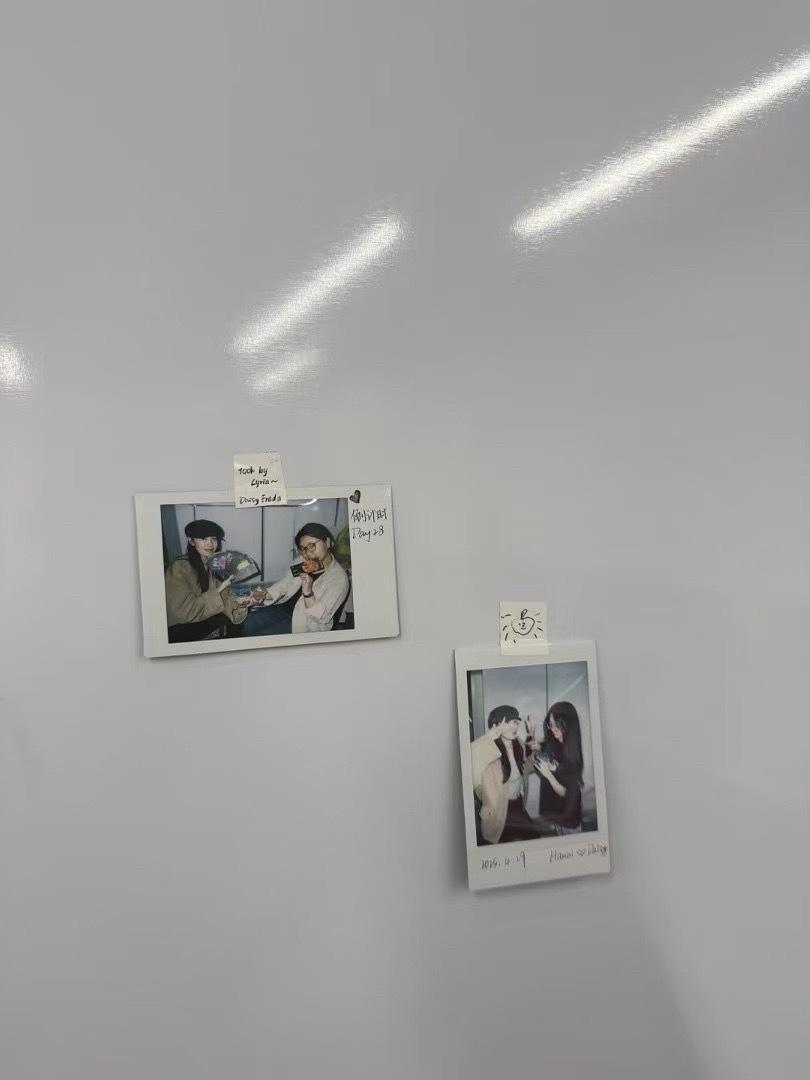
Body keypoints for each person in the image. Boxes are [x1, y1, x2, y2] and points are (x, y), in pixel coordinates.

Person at [248, 522, 349, 634]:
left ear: (328, 542)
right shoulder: (302, 561)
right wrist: (265, 594)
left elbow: (321, 616)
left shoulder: (339, 579)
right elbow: (283, 585)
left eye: (312, 545)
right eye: (303, 549)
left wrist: (308, 593)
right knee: (249, 622)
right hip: (283, 608)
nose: (308, 553)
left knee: (261, 633)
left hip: (304, 623)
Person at [164, 519, 251, 643]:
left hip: (201, 616)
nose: (210, 544)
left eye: (214, 539)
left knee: (235, 625)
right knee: (228, 626)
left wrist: (241, 603)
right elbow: (184, 612)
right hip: (180, 626)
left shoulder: (212, 563)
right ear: (191, 541)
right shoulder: (179, 568)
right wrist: (219, 589)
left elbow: (224, 597)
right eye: (204, 539)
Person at [473, 705, 541, 845]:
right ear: (496, 726)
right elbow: (468, 759)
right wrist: (490, 736)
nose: (514, 726)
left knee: (533, 838)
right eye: (508, 722)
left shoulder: (518, 744)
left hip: (517, 805)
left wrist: (532, 735)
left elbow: (528, 768)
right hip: (497, 812)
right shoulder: (488, 751)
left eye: (515, 722)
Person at [535, 701, 584, 835]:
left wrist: (548, 774)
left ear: (568, 725)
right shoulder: (559, 742)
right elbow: (549, 745)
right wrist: (553, 767)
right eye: (551, 725)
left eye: (557, 725)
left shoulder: (573, 756)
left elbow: (565, 793)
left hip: (569, 820)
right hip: (558, 815)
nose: (553, 730)